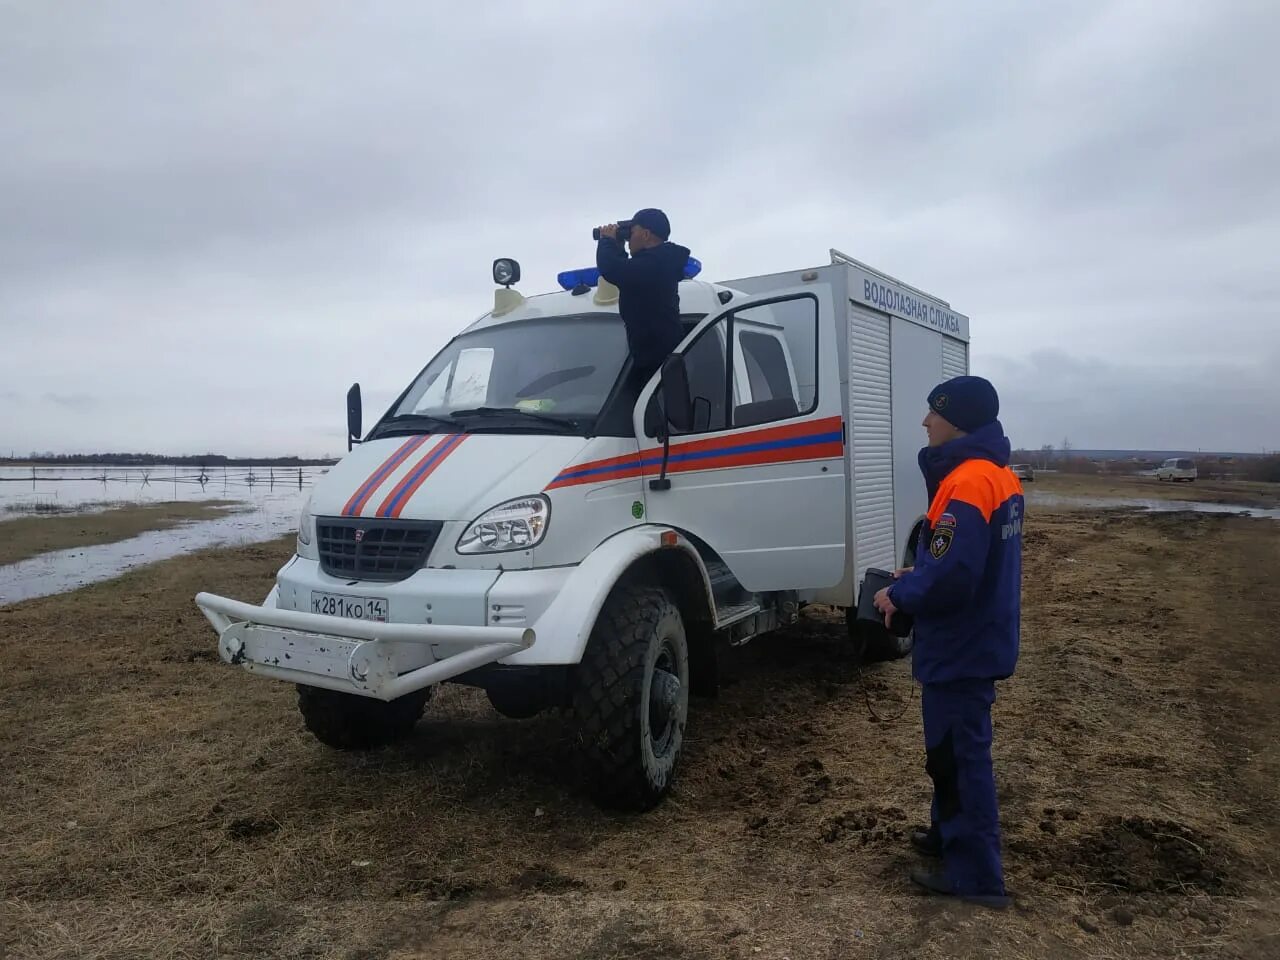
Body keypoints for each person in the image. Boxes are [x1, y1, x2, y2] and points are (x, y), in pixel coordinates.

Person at [872, 375, 1023, 910]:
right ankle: (947, 834)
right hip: (976, 639)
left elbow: (952, 578)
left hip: (961, 647)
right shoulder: (997, 476)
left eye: (933, 412)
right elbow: (963, 563)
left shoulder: (967, 483)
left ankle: (976, 876)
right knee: (949, 754)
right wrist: (922, 569)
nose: (925, 422)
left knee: (960, 759)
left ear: (956, 420)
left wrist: (901, 592)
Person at [594, 208, 690, 381]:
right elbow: (627, 274)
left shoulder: (658, 264)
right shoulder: (657, 263)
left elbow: (613, 269)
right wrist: (617, 248)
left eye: (631, 232)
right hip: (655, 360)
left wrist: (607, 241)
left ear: (646, 234)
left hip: (659, 366)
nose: (628, 238)